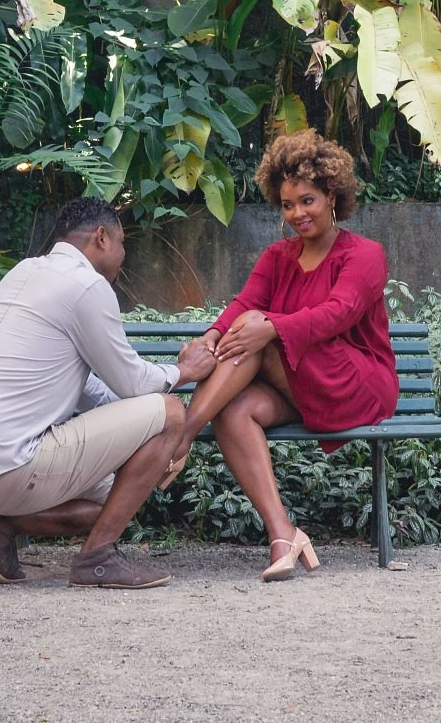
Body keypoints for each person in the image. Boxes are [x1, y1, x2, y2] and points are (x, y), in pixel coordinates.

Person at [0, 196, 218, 589]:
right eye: (124, 243)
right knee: (171, 412)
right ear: (102, 238)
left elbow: (92, 389)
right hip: (12, 466)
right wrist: (184, 372)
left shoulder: (23, 273)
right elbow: (132, 383)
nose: (124, 255)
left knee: (116, 494)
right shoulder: (87, 285)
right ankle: (98, 558)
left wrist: (144, 434)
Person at [166, 129, 398, 581]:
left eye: (307, 201)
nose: (297, 214)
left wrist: (268, 327)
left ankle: (181, 435)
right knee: (234, 411)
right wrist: (211, 337)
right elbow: (242, 304)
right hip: (299, 379)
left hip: (357, 381)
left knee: (261, 330)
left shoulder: (364, 255)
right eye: (287, 204)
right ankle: (283, 535)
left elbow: (338, 314)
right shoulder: (278, 256)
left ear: (333, 194)